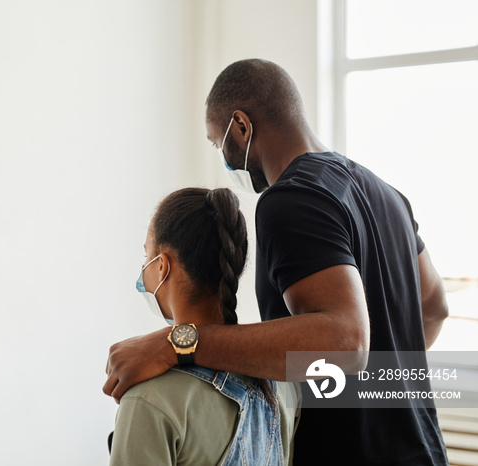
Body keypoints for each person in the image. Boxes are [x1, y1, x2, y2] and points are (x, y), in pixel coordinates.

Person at [104, 59, 449, 465]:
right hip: (424, 449)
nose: (225, 158)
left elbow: (347, 342)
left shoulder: (291, 197)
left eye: (218, 143)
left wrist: (175, 343)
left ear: (241, 126)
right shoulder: (388, 195)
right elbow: (434, 308)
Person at [108, 187, 297, 465]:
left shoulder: (148, 401)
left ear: (162, 266)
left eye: (146, 255)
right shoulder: (282, 383)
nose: (144, 267)